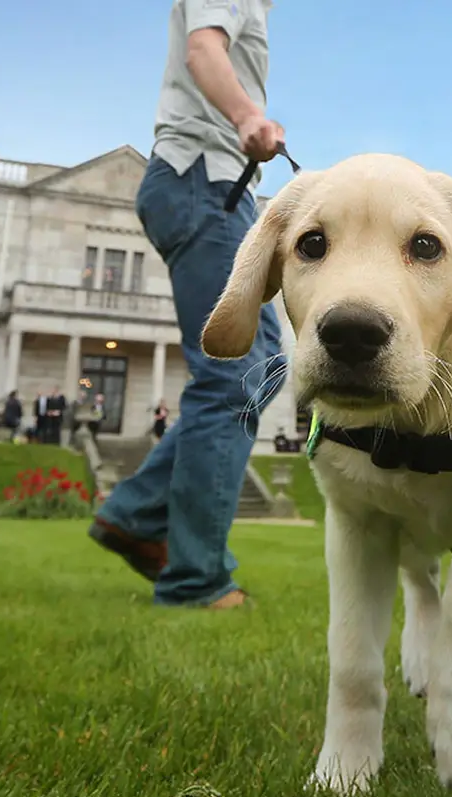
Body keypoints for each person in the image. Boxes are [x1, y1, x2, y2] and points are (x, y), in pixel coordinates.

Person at [88, 0, 287, 610]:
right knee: (234, 375)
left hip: (220, 189)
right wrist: (249, 114)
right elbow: (204, 48)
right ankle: (195, 577)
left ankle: (136, 514)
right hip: (204, 179)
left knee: (262, 365)